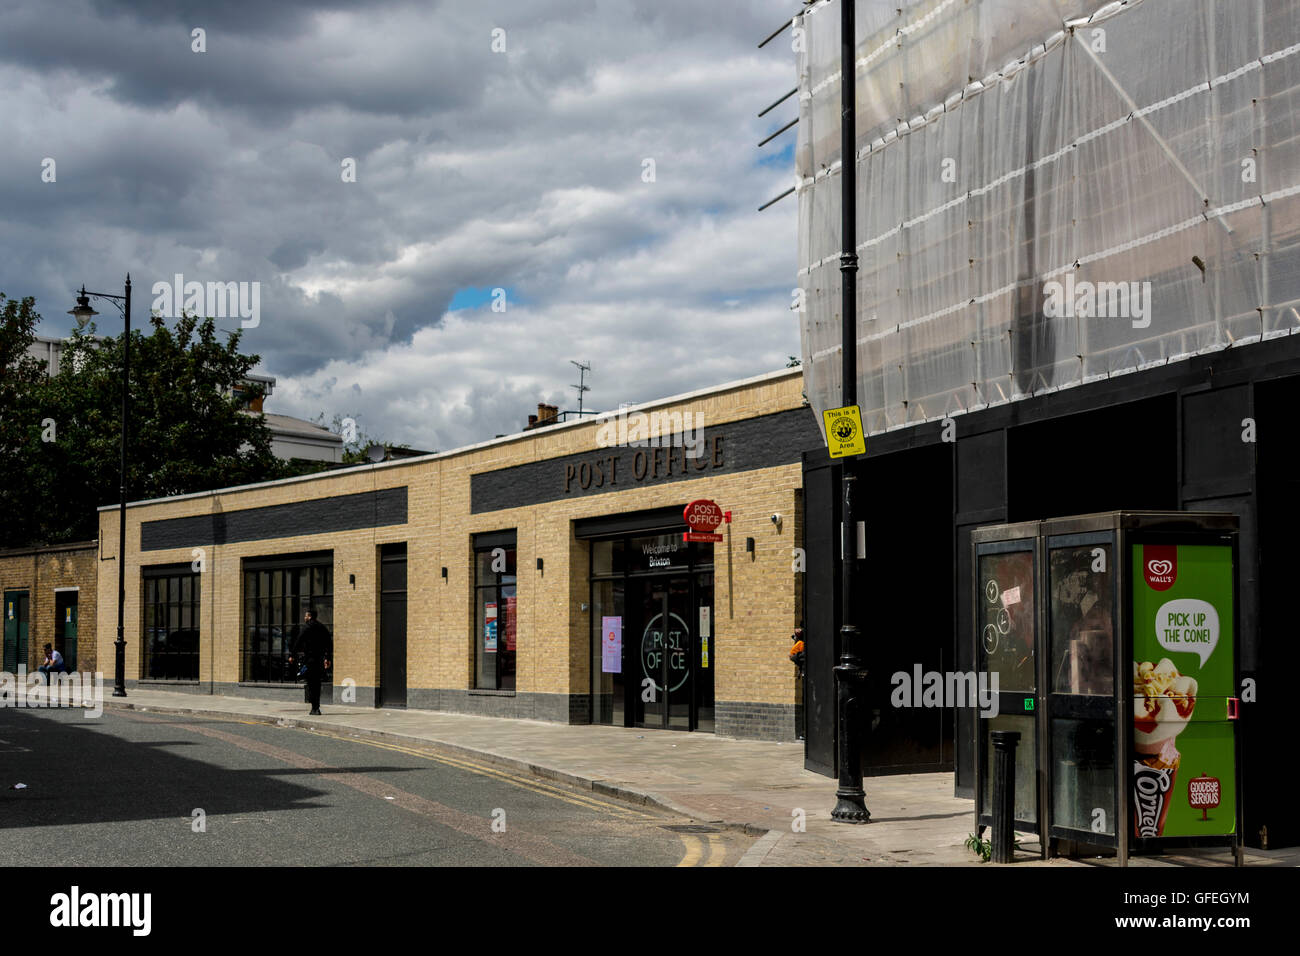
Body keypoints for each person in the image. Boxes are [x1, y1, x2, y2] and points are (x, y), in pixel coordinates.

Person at [289, 607, 332, 716]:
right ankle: (316, 707)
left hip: (310, 659)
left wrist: (292, 655)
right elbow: (328, 643)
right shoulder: (322, 627)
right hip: (319, 659)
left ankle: (314, 708)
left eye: (306, 616)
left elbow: (299, 641)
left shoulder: (307, 627)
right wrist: (327, 658)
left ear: (309, 616)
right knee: (317, 683)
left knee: (311, 683)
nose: (304, 618)